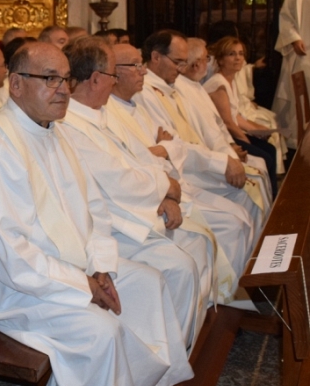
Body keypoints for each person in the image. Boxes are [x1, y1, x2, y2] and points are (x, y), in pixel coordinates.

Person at [0, 40, 193, 386]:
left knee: (148, 282)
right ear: (16, 85)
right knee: (99, 331)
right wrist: (82, 285)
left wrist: (100, 267)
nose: (63, 88)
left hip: (72, 269)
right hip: (11, 284)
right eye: (50, 79)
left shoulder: (56, 134)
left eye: (64, 78)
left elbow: (93, 211)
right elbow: (6, 251)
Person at [63, 37, 212, 344]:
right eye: (112, 75)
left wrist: (168, 191)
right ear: (95, 79)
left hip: (138, 209)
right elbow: (119, 181)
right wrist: (165, 188)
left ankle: (182, 345)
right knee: (181, 267)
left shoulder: (100, 113)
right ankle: (167, 352)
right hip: (114, 223)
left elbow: (141, 157)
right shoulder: (69, 123)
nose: (115, 82)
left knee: (195, 247)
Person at [105, 43, 256, 303]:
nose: (143, 72)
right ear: (112, 73)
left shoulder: (135, 103)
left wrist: (163, 148)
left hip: (174, 182)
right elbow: (133, 161)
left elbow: (172, 142)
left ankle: (231, 299)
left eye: (142, 64)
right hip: (155, 196)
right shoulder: (109, 112)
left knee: (238, 216)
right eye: (136, 65)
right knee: (227, 225)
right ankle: (221, 304)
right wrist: (163, 153)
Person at [134, 30, 270, 235]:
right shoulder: (145, 93)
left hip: (196, 163)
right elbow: (173, 146)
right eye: (178, 62)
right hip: (186, 171)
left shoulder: (169, 86)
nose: (182, 69)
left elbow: (204, 130)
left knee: (248, 195)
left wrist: (228, 153)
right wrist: (222, 161)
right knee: (239, 211)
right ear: (155, 57)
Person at [205, 37, 278, 197]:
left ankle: (273, 198)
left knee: (271, 150)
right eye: (232, 54)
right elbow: (228, 123)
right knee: (265, 156)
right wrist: (247, 141)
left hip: (231, 131)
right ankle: (271, 200)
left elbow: (236, 116)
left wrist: (260, 130)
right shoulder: (218, 85)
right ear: (221, 60)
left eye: (240, 54)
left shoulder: (231, 80)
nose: (238, 58)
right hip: (223, 137)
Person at [273, 0, 310, 147]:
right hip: (305, 54)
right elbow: (286, 15)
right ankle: (302, 148)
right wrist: (293, 37)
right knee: (299, 103)